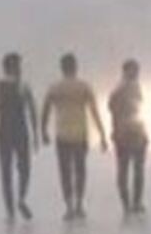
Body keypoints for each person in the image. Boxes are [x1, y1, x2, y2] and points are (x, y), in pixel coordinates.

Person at [41, 53, 107, 220]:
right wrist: (102, 134)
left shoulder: (54, 88)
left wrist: (43, 131)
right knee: (80, 170)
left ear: (62, 68)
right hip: (80, 134)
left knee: (65, 172)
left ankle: (69, 206)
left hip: (62, 135)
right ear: (75, 67)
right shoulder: (84, 87)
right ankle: (79, 204)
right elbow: (94, 112)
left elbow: (46, 110)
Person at [0, 52, 39, 222]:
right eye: (18, 66)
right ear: (13, 68)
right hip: (20, 131)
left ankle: (10, 211)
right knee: (25, 168)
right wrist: (36, 134)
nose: (20, 69)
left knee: (6, 171)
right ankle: (21, 198)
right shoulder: (24, 87)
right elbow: (32, 111)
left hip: (4, 132)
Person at [109, 59, 149, 217]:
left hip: (137, 132)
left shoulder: (136, 88)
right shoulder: (119, 90)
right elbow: (113, 111)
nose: (136, 74)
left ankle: (136, 202)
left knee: (137, 169)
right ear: (125, 71)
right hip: (125, 134)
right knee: (124, 170)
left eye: (136, 71)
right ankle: (127, 203)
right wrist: (116, 130)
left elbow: (140, 110)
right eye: (133, 71)